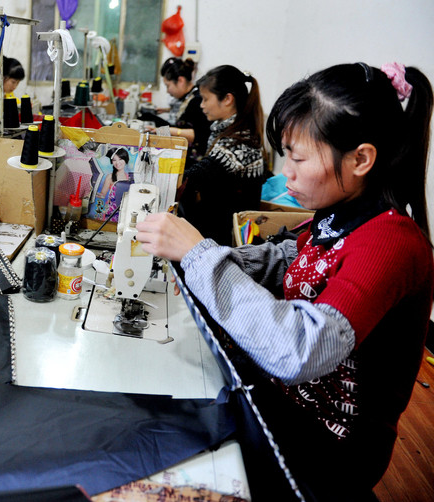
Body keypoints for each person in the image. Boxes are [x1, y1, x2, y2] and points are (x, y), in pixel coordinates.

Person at [136, 62, 433, 500]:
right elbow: (285, 258)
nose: (286, 172)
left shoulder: (391, 243)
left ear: (361, 158)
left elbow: (302, 349)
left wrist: (199, 255)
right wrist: (199, 260)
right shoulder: (339, 216)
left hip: (328, 450)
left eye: (297, 157)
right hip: (286, 405)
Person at [178, 64, 268, 245]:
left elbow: (195, 176)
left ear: (227, 99)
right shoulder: (237, 131)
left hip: (225, 239)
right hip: (221, 228)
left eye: (205, 99)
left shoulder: (237, 143)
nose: (202, 105)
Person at [142, 57, 211, 167]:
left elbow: (200, 135)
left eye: (168, 85)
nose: (167, 91)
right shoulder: (188, 98)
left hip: (193, 158)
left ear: (180, 81)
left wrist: (166, 130)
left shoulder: (197, 100)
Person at [93, 148, 131, 222]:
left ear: (125, 160)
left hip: (125, 209)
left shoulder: (129, 177)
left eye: (120, 159)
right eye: (114, 160)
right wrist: (94, 193)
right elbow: (103, 194)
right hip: (111, 210)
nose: (117, 162)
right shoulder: (110, 177)